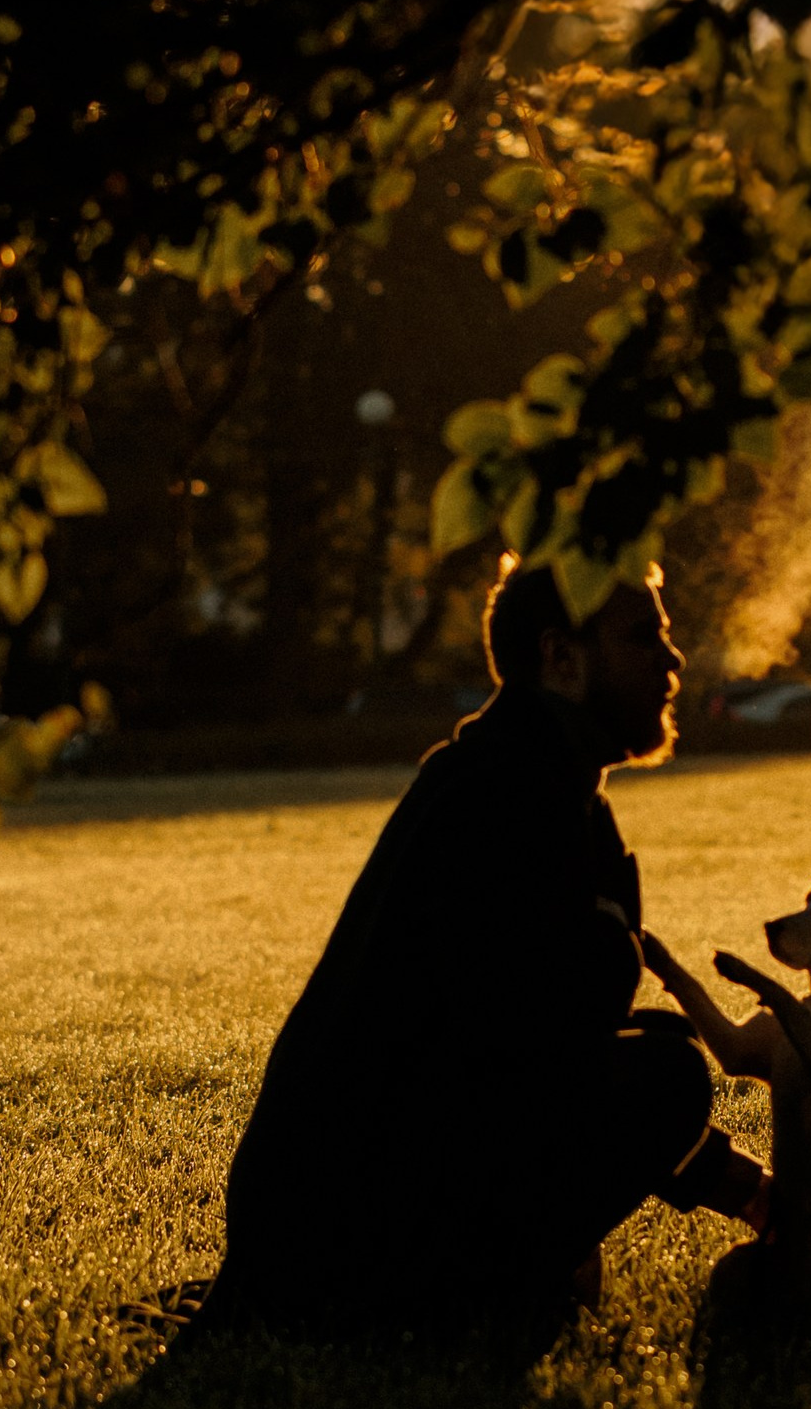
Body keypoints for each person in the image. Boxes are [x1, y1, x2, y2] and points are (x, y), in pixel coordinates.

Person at [202, 559, 767, 1335]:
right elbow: (532, 1052)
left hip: (315, 1222)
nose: (672, 661)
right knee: (667, 1069)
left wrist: (745, 1190)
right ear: (561, 658)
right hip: (342, 1241)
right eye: (645, 638)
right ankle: (461, 1308)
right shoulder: (512, 798)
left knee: (662, 1047)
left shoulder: (516, 775)